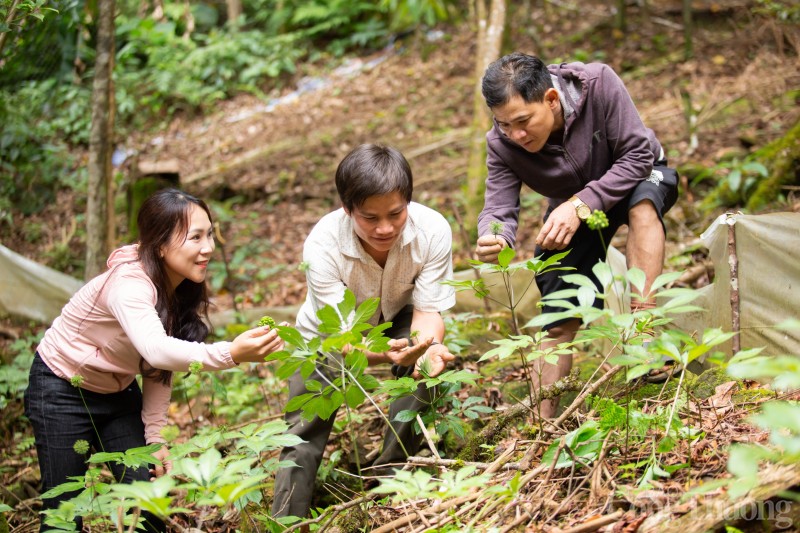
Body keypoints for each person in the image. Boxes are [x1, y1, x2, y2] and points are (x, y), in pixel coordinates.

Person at [24, 188, 285, 532]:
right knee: (63, 513)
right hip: (61, 387)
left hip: (117, 392)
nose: (207, 247)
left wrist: (156, 436)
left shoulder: (179, 286)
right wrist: (230, 353)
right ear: (160, 245)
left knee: (146, 502)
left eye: (209, 234)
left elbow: (158, 368)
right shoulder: (130, 284)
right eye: (194, 237)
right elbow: (156, 349)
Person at [475, 53, 679, 416]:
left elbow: (637, 155)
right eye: (504, 124)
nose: (515, 135)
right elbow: (498, 207)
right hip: (573, 204)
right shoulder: (501, 144)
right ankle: (542, 421)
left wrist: (582, 203)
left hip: (637, 175)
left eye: (523, 121)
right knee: (554, 285)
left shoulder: (598, 84)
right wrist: (497, 236)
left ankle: (645, 337)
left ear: (551, 100)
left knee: (642, 207)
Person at [271, 143, 457, 520]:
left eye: (395, 213)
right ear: (347, 209)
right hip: (328, 334)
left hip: (399, 315)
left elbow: (426, 310)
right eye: (369, 218)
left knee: (424, 373)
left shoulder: (433, 230)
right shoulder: (323, 244)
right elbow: (343, 337)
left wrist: (428, 347)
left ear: (408, 200)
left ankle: (385, 479)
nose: (385, 228)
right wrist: (383, 353)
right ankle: (286, 521)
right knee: (304, 430)